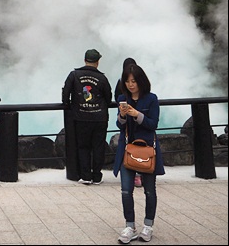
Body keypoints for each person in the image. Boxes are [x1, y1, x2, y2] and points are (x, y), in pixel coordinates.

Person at [113, 63, 165, 244]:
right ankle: (130, 226)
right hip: (127, 149)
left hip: (147, 150)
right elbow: (119, 126)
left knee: (150, 191)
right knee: (126, 191)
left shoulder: (151, 99)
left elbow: (153, 124)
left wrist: (137, 114)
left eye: (134, 81)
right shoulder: (122, 98)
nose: (130, 85)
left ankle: (148, 226)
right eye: (127, 81)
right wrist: (122, 115)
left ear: (141, 81)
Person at [62, 48, 112, 185]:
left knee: (83, 147)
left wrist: (68, 105)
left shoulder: (74, 75)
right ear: (98, 62)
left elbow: (65, 92)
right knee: (98, 147)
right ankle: (96, 176)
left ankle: (85, 176)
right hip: (100, 118)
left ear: (85, 60)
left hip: (81, 117)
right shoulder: (102, 78)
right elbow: (108, 97)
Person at [114, 58, 142, 188]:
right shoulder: (132, 83)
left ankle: (132, 172)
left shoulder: (121, 82)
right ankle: (138, 173)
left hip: (129, 122)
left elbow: (115, 97)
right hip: (131, 121)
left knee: (128, 147)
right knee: (138, 147)